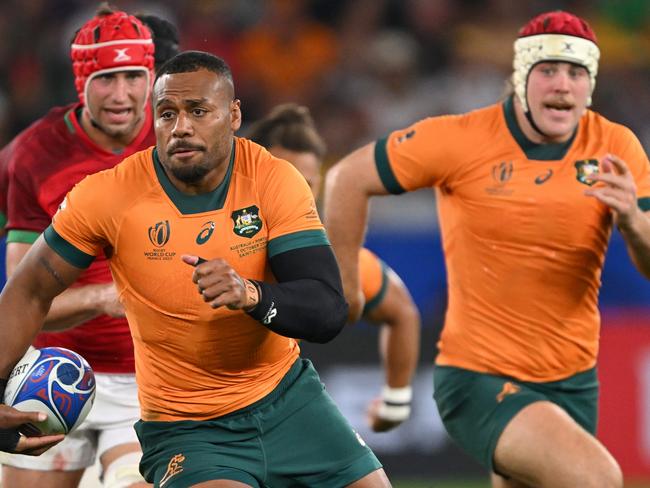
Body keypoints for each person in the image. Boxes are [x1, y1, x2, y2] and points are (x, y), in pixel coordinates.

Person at [0, 50, 391, 488]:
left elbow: (326, 309)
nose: (181, 126)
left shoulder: (272, 180)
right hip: (186, 426)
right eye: (166, 114)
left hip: (290, 401)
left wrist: (251, 294)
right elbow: (29, 289)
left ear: (233, 115)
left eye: (198, 111)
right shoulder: (108, 195)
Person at [324, 10, 650, 488]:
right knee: (596, 477)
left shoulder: (614, 145)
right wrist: (346, 286)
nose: (562, 85)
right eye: (548, 71)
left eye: (576, 73)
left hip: (574, 381)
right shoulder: (463, 138)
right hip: (481, 379)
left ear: (590, 83)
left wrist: (634, 222)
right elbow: (346, 178)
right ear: (521, 77)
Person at [0, 6, 178, 488]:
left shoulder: (180, 142)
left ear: (151, 75)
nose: (120, 95)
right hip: (52, 374)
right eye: (105, 79)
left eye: (131, 76)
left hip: (151, 378)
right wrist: (105, 299)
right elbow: (23, 296)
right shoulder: (35, 156)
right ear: (81, 81)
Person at [247, 103, 421, 432]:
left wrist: (395, 402)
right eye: (284, 178)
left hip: (283, 414)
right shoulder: (213, 241)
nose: (296, 192)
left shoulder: (329, 258)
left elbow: (402, 313)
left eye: (307, 183)